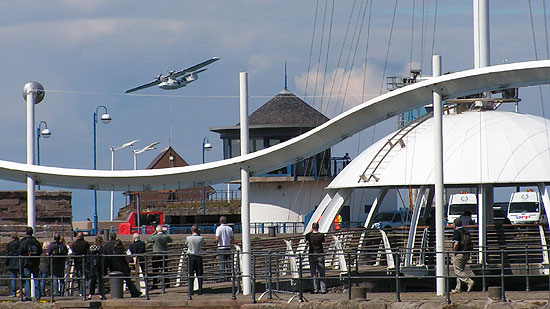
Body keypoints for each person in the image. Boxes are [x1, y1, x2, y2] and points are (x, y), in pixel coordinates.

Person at [18, 226, 42, 301]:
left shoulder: (24, 241)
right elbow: (40, 251)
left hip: (27, 262)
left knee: (27, 280)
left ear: (26, 233)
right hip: (35, 262)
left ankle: (28, 296)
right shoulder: (36, 241)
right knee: (36, 279)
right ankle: (38, 296)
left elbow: (20, 251)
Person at [451, 218, 475, 293]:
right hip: (467, 253)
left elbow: (456, 243)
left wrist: (454, 251)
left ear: (455, 225)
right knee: (461, 270)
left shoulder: (456, 232)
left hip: (459, 253)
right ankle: (458, 288)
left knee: (458, 271)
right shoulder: (466, 231)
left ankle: (469, 281)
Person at [148, 225, 172, 289]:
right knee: (164, 269)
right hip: (163, 255)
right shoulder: (165, 237)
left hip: (155, 254)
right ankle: (166, 283)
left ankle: (155, 284)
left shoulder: (155, 237)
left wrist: (153, 233)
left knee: (155, 270)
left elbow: (148, 239)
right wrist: (165, 233)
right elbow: (170, 240)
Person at [305, 222, 326, 294]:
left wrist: (310, 231)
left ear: (312, 228)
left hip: (312, 254)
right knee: (322, 272)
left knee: (313, 273)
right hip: (320, 254)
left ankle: (315, 289)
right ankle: (323, 289)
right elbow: (323, 241)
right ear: (318, 227)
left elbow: (306, 236)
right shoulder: (321, 235)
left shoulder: (309, 235)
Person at [186, 225, 205, 298]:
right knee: (199, 274)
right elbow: (202, 244)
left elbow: (186, 244)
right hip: (198, 256)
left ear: (191, 230)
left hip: (191, 256)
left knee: (190, 274)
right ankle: (200, 289)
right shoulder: (201, 238)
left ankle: (190, 290)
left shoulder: (188, 238)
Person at [71, 232, 90, 297]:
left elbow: (73, 252)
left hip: (77, 262)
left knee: (79, 277)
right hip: (84, 261)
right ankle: (88, 291)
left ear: (77, 236)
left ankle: (80, 291)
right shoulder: (86, 244)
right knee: (87, 277)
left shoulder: (74, 244)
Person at [215, 216, 234, 281]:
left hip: (221, 247)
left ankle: (222, 277)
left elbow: (217, 238)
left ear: (220, 221)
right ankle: (229, 276)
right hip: (228, 247)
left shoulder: (218, 228)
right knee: (228, 262)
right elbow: (232, 239)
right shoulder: (230, 228)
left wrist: (218, 240)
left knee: (222, 262)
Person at [5, 232, 20, 297]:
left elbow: (8, 253)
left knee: (13, 278)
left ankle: (13, 293)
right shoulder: (20, 243)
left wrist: (7, 262)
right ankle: (22, 291)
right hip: (19, 262)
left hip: (12, 262)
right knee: (22, 278)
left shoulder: (10, 244)